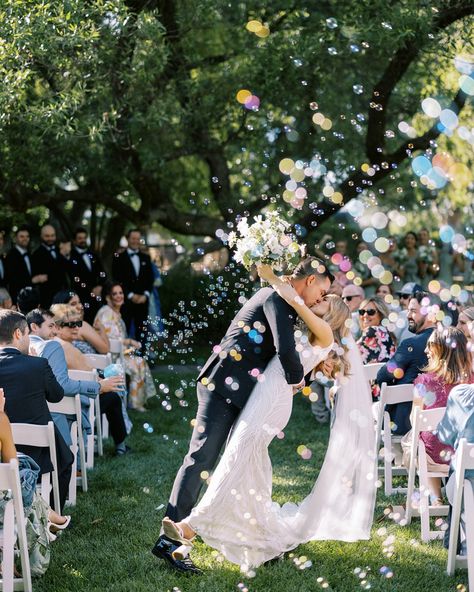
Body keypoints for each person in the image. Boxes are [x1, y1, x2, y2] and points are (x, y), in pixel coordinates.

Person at [157, 266, 376, 573]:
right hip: (253, 393)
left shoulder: (323, 330)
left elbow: (293, 338)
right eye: (321, 294)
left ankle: (187, 529)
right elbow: (294, 351)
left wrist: (274, 278)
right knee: (249, 467)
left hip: (270, 400)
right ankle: (264, 538)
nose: (318, 300)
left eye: (325, 300)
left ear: (334, 314)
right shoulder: (301, 320)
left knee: (235, 460)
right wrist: (302, 376)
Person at [26, 309, 129, 456]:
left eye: (78, 324)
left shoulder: (28, 347)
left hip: (38, 408)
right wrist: (101, 385)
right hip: (61, 406)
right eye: (70, 325)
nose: (76, 328)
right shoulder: (54, 347)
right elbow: (66, 383)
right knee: (112, 398)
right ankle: (118, 445)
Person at [0, 309, 73, 511]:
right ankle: (52, 512)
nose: (28, 341)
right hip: (39, 452)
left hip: (2, 450)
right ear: (17, 334)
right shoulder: (38, 365)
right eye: (26, 335)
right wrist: (34, 362)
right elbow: (57, 395)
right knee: (66, 460)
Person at [410, 328, 472, 505]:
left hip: (434, 455)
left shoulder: (424, 381)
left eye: (430, 345)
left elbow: (414, 420)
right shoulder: (472, 380)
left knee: (419, 438)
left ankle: (436, 497)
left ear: (443, 350)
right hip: (467, 453)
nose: (425, 350)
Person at [376, 291, 438, 435]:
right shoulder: (448, 341)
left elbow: (382, 376)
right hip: (438, 419)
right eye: (408, 311)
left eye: (413, 311)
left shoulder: (411, 344)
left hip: (406, 421)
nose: (408, 315)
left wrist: (395, 385)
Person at [94, 282, 156, 412]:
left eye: (120, 293)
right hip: (109, 358)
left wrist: (128, 345)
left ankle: (135, 401)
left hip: (117, 354)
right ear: (107, 297)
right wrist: (129, 342)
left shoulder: (114, 312)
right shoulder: (106, 313)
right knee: (137, 363)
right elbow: (111, 341)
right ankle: (135, 403)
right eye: (114, 294)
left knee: (139, 362)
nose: (118, 296)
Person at [437, 383, 474, 554]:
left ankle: (459, 545)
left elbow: (445, 436)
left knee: (459, 468)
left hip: (467, 488)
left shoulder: (461, 394)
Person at [112, 229, 154, 347]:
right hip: (125, 301)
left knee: (142, 331)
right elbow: (117, 279)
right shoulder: (119, 258)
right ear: (128, 239)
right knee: (123, 329)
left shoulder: (146, 257)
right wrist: (130, 295)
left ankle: (142, 359)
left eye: (138, 239)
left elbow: (150, 279)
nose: (136, 241)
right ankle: (124, 357)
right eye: (133, 238)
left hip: (142, 302)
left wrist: (145, 295)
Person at [357, 296, 396, 399]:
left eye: (370, 312)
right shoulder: (387, 333)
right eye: (362, 312)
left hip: (373, 393)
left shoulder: (372, 331)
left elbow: (352, 358)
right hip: (388, 392)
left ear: (381, 315)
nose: (365, 315)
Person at [68, 228, 106, 323]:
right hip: (81, 297)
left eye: (84, 238)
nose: (83, 240)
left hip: (96, 298)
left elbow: (102, 272)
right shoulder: (71, 256)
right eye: (80, 238)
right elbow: (75, 278)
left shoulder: (92, 254)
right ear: (74, 240)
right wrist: (91, 289)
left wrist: (100, 286)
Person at [31, 224, 69, 308]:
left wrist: (66, 256)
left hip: (63, 295)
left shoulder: (59, 250)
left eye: (52, 235)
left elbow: (68, 270)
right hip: (47, 298)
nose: (50, 238)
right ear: (41, 236)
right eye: (47, 236)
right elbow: (46, 275)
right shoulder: (36, 254)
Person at [4, 227, 37, 305]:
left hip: (31, 297)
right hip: (18, 298)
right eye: (22, 236)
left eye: (27, 236)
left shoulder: (29, 254)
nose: (25, 239)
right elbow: (12, 279)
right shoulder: (10, 256)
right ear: (16, 238)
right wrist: (32, 280)